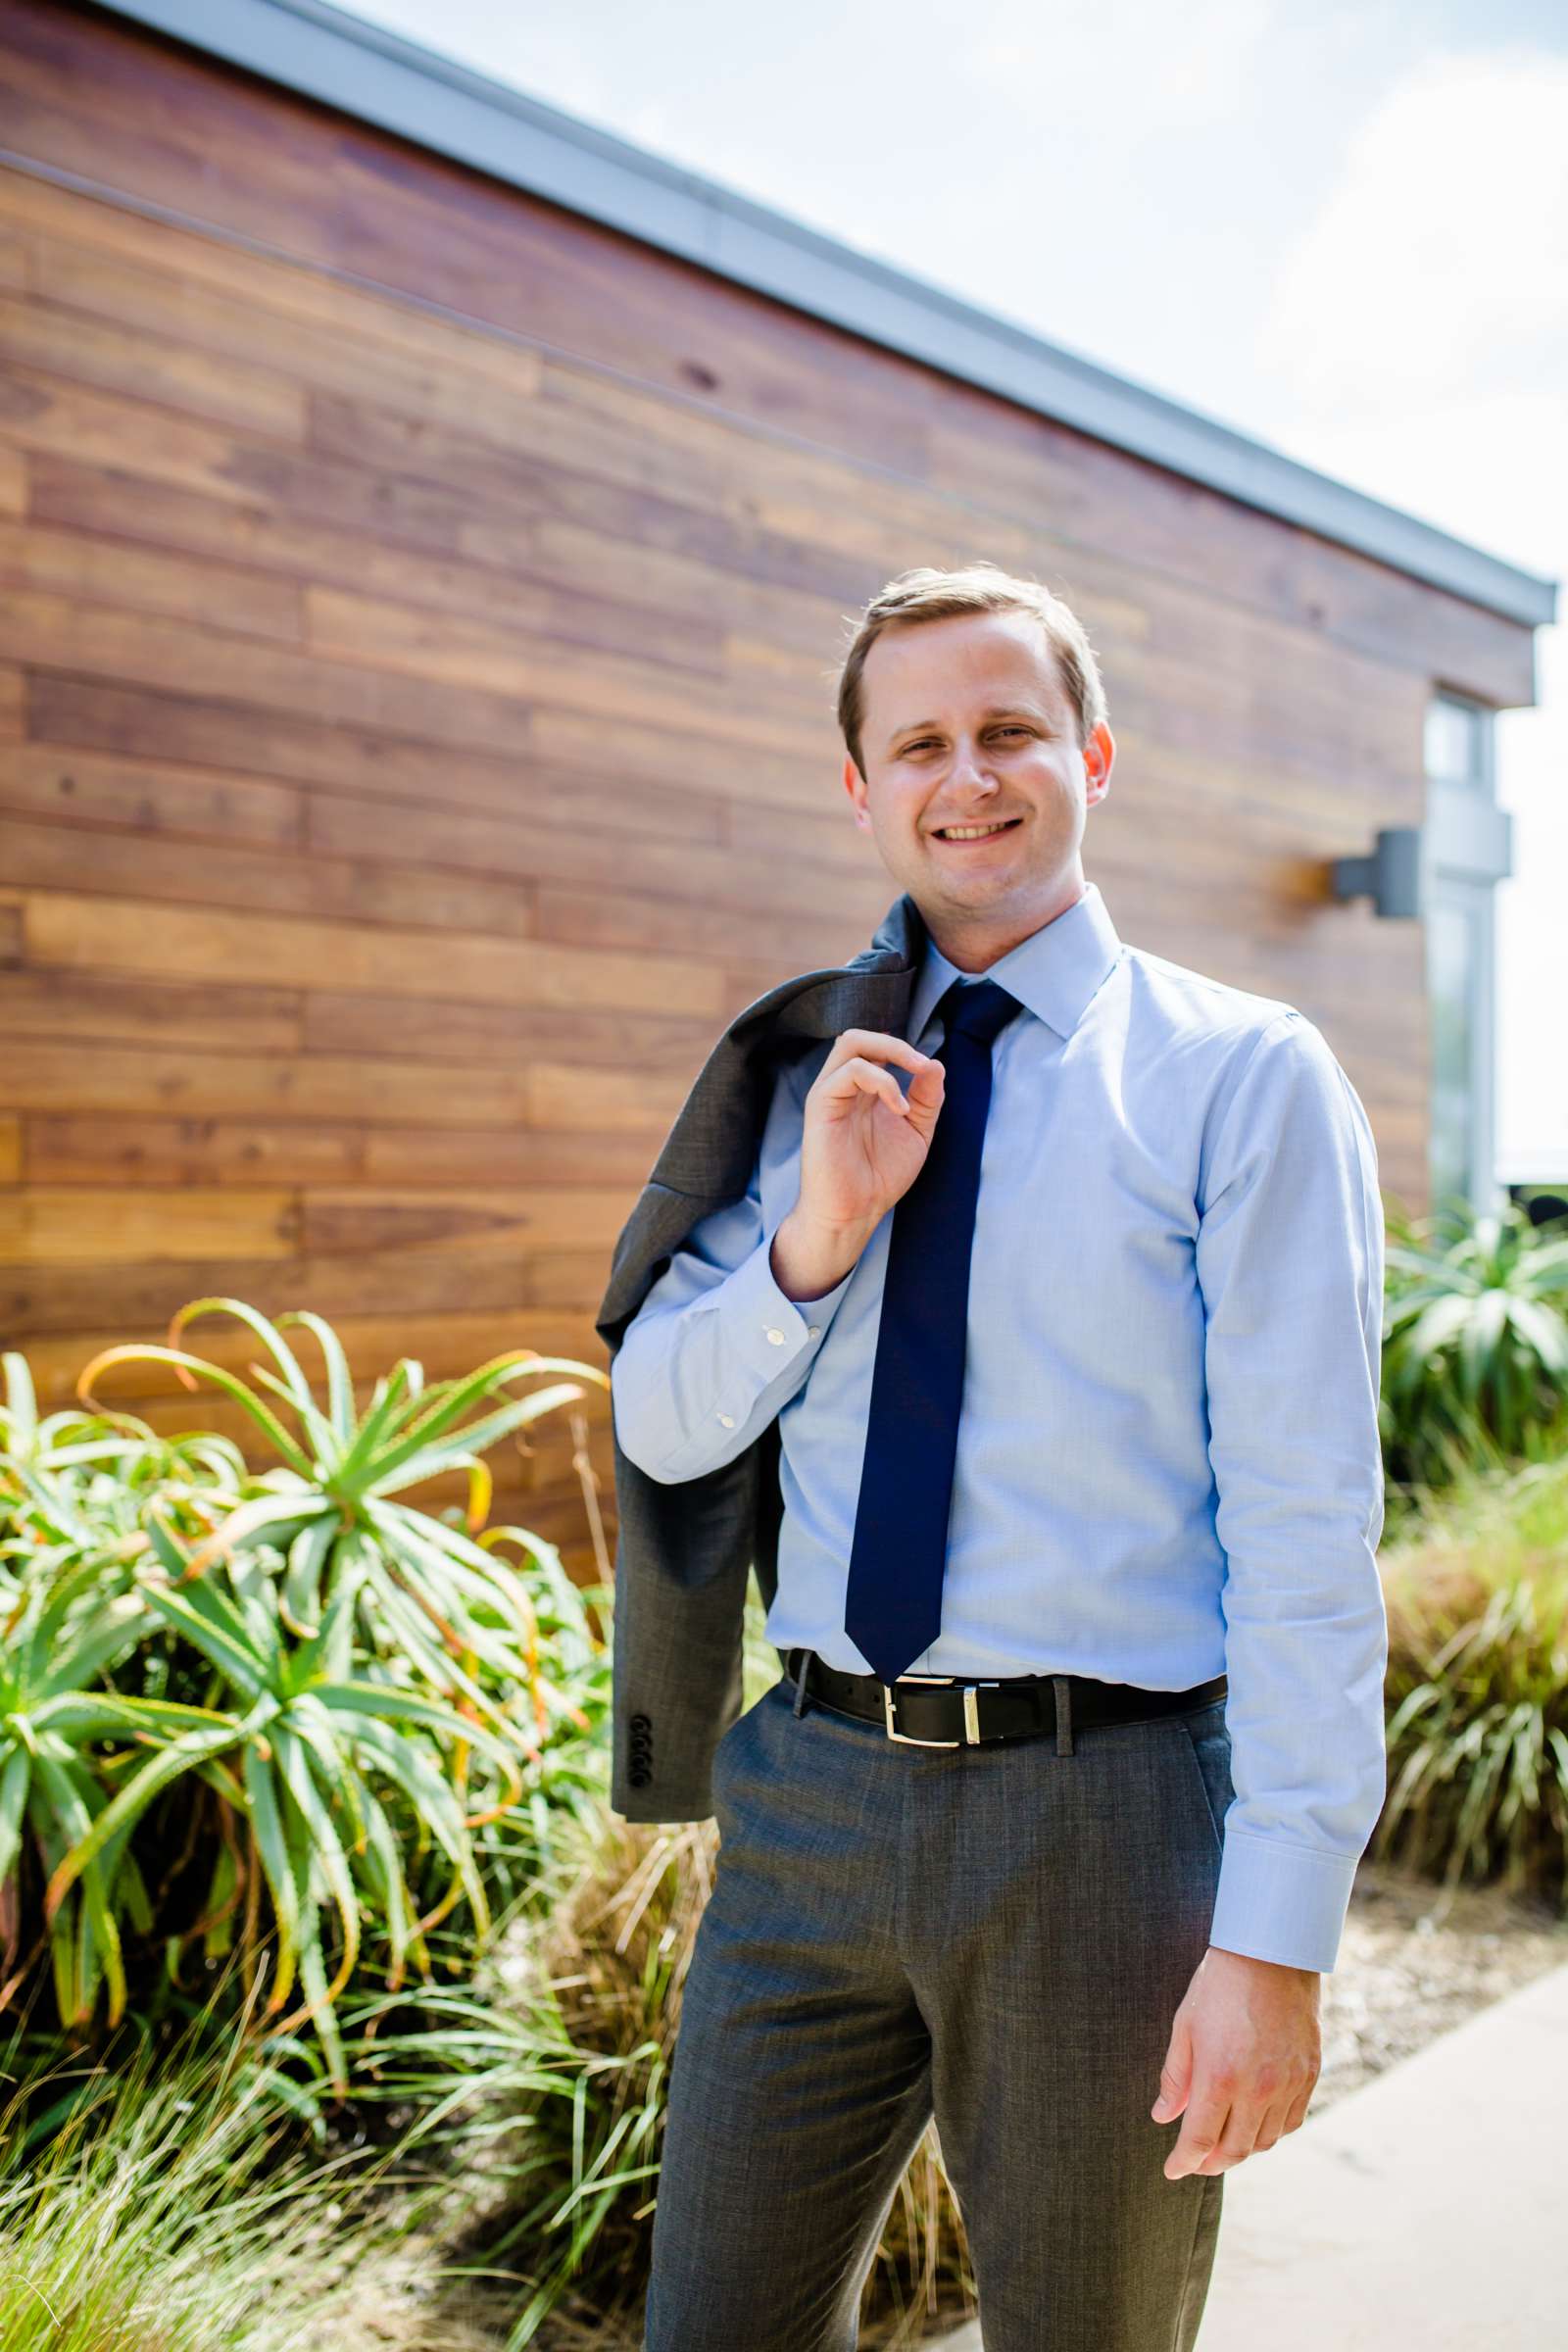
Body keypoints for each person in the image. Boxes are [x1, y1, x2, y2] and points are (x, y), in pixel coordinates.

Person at [608, 561, 1389, 2350]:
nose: (970, 777)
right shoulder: (810, 1077)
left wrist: (1275, 1940)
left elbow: (1305, 1529)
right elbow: (664, 1421)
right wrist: (813, 1236)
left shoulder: (1239, 1078)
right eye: (924, 743)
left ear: (1095, 756)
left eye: (1012, 731)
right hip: (809, 1796)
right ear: (863, 787)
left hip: (1097, 1819)